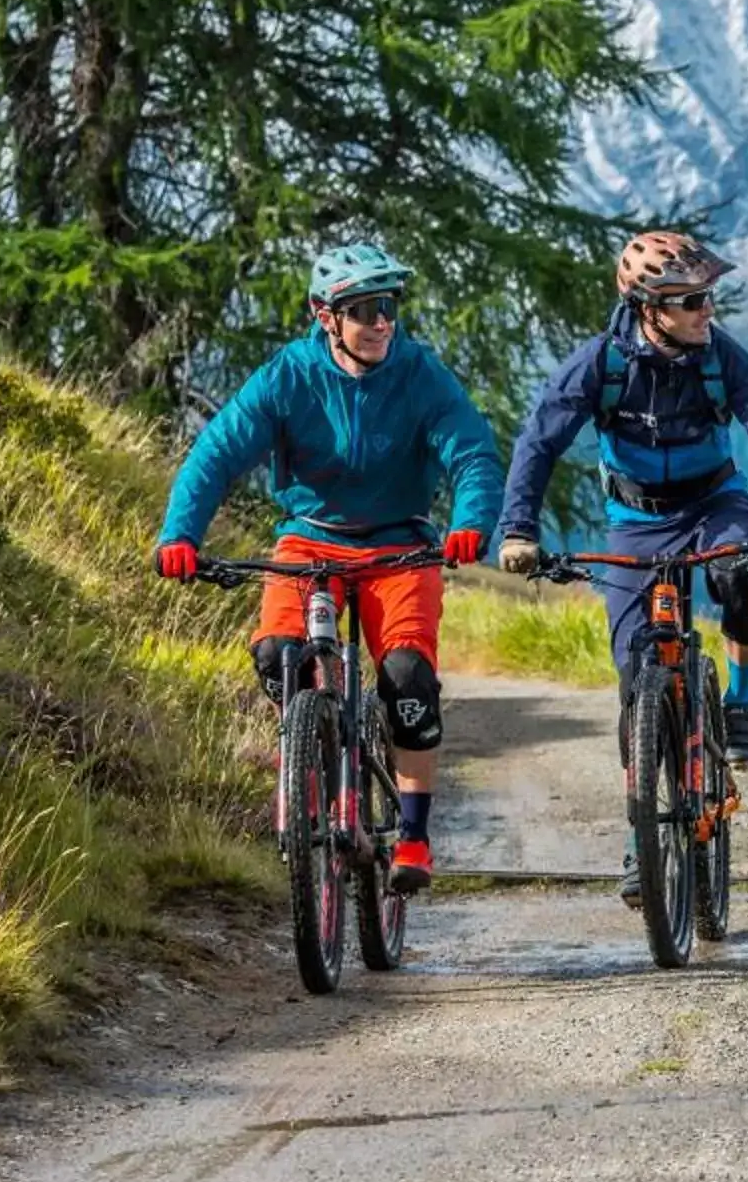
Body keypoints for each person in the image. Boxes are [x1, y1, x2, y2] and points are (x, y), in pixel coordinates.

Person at [153, 243, 503, 893]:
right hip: (309, 543)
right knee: (278, 655)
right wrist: (180, 533)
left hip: (400, 547)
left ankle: (416, 836)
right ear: (325, 316)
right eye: (365, 310)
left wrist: (471, 521)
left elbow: (472, 451)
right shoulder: (289, 375)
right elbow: (217, 454)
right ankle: (319, 744)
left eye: (389, 308)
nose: (381, 323)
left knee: (407, 681)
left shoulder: (420, 373)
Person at [494, 231, 748, 907]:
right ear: (648, 307)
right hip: (634, 523)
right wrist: (518, 529)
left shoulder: (720, 358)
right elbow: (539, 439)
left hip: (715, 502)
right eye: (690, 300)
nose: (706, 311)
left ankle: (741, 700)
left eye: (709, 297)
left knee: (741, 574)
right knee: (637, 683)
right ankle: (642, 834)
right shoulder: (600, 364)